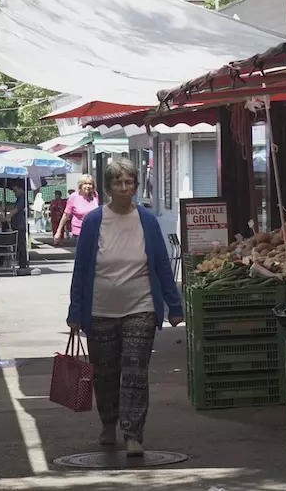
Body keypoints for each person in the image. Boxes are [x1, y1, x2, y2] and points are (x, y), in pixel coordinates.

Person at [66, 159, 182, 456]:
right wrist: (75, 313)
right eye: (117, 182)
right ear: (107, 188)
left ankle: (132, 433)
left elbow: (161, 265)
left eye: (129, 182)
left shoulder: (147, 220)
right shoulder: (94, 222)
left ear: (136, 185)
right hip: (100, 310)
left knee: (135, 372)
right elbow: (81, 270)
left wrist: (174, 304)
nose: (123, 187)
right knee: (105, 374)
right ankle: (108, 423)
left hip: (140, 307)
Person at [54, 175, 99, 244]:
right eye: (85, 184)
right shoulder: (74, 197)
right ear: (81, 185)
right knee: (84, 253)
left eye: (90, 184)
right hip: (79, 232)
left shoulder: (95, 195)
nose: (88, 186)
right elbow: (66, 215)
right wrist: (58, 231)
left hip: (94, 231)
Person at [10, 183, 29, 272]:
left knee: (21, 245)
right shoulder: (19, 198)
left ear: (20, 189)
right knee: (19, 245)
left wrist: (6, 217)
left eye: (15, 191)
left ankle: (23, 264)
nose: (15, 193)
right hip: (17, 224)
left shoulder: (23, 198)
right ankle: (21, 263)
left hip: (20, 225)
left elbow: (16, 210)